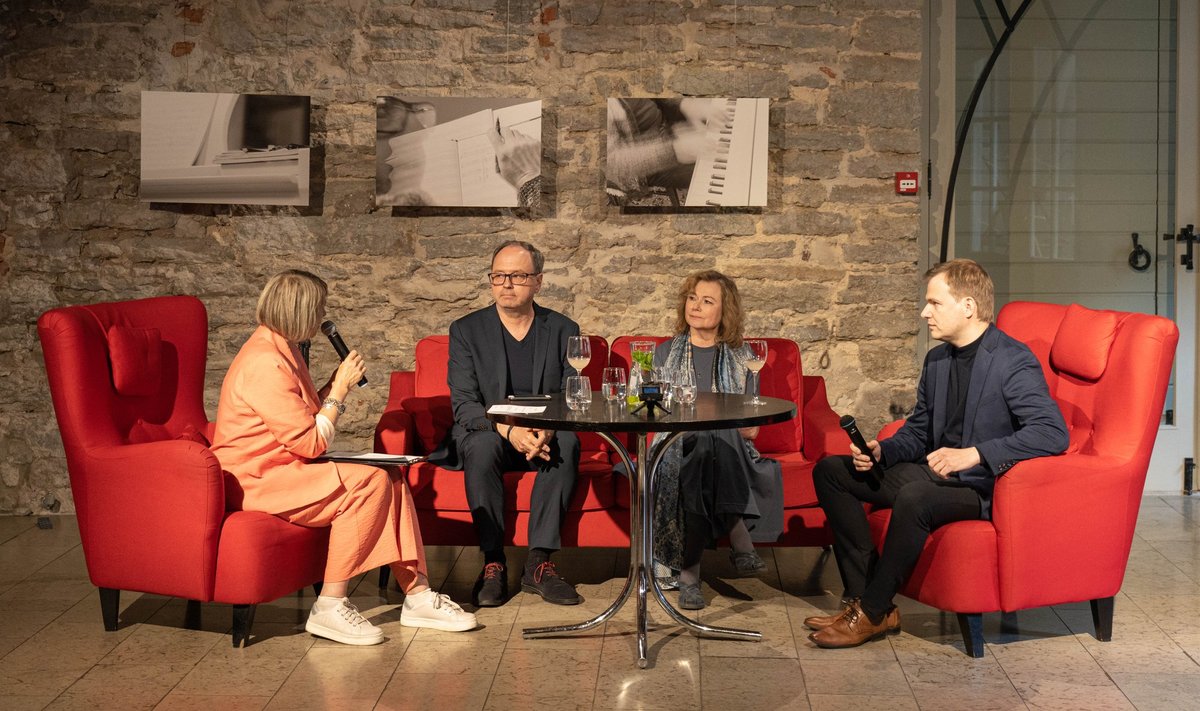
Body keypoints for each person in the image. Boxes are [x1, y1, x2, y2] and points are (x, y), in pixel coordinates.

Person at [807, 259, 1068, 648]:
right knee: (831, 471)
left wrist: (977, 454)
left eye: (934, 303)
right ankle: (862, 602)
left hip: (979, 486)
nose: (924, 312)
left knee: (915, 496)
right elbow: (919, 430)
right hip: (934, 474)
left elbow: (1052, 433)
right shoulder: (937, 360)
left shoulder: (1012, 360)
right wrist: (883, 452)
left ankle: (874, 612)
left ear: (968, 306)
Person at [210, 270, 476, 646]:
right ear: (299, 310)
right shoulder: (264, 362)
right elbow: (309, 443)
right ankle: (330, 607)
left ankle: (417, 596)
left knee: (392, 476)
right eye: (318, 308)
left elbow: (301, 416)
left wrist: (329, 386)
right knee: (368, 483)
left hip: (286, 470)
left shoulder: (283, 348)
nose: (322, 316)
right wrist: (339, 390)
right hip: (258, 480)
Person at [436, 240, 582, 607]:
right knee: (482, 445)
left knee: (569, 444)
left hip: (542, 435)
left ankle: (539, 563)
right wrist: (508, 430)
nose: (506, 284)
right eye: (498, 275)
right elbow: (465, 404)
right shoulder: (466, 330)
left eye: (517, 275)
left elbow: (571, 395)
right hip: (492, 434)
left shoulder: (564, 328)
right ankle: (493, 563)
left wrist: (548, 428)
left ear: (538, 281)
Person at [649, 270, 784, 610]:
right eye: (692, 298)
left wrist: (710, 416)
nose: (695, 306)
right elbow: (657, 413)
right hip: (676, 444)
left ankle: (690, 577)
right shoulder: (665, 353)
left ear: (726, 311)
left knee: (712, 437)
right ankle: (739, 539)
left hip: (729, 449)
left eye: (707, 301)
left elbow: (751, 428)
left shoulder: (745, 356)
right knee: (706, 435)